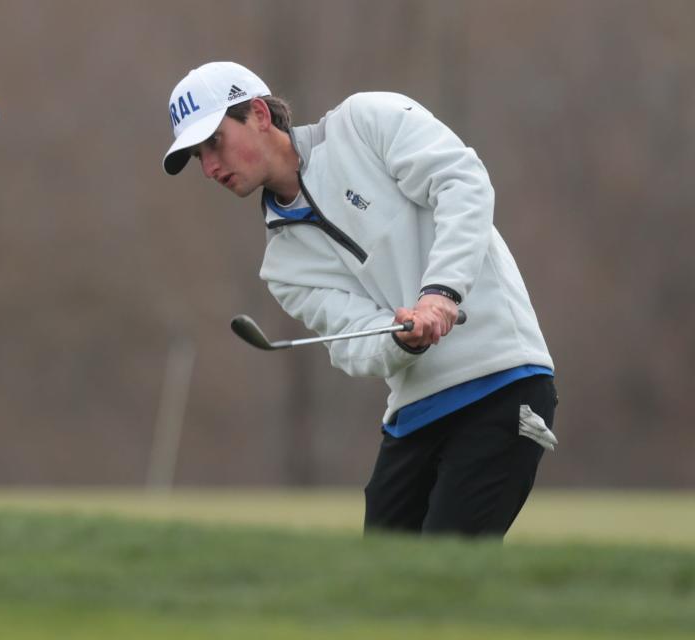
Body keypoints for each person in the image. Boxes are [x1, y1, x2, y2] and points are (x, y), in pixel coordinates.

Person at [162, 61, 558, 538]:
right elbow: (352, 343)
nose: (208, 168)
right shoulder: (283, 265)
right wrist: (402, 342)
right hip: (414, 412)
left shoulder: (366, 121)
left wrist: (441, 294)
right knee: (379, 590)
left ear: (261, 115)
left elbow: (463, 182)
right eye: (196, 158)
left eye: (213, 143)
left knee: (441, 576)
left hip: (501, 380)